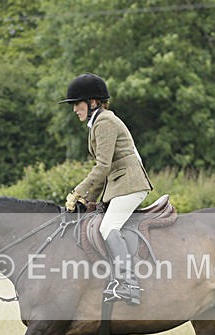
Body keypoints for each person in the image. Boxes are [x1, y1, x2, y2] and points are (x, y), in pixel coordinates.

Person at [60, 73, 152, 305]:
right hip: (119, 184)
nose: (74, 110)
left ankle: (129, 284)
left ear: (92, 102)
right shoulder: (98, 123)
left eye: (77, 104)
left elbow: (102, 166)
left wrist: (77, 192)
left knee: (108, 226)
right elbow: (103, 170)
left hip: (130, 184)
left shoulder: (105, 122)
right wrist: (87, 199)